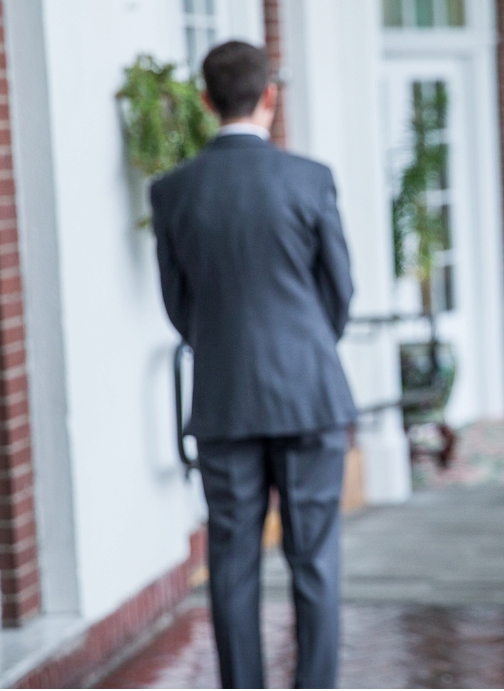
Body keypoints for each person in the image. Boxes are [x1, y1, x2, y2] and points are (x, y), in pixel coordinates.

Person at [150, 40, 357, 689]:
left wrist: (226, 349)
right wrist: (305, 347)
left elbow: (178, 305)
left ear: (207, 101)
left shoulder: (172, 191)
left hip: (224, 400)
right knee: (314, 563)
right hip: (310, 396)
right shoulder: (310, 178)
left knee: (232, 566)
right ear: (270, 96)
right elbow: (339, 292)